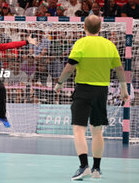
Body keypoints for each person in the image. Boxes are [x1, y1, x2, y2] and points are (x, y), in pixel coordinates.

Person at [54, 15, 129, 180]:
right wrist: (124, 89)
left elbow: (69, 67)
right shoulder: (109, 45)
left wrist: (59, 83)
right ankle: (96, 169)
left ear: (84, 28)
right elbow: (120, 70)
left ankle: (83, 166)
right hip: (101, 91)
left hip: (83, 90)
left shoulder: (81, 43)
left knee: (79, 129)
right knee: (97, 130)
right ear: (100, 28)